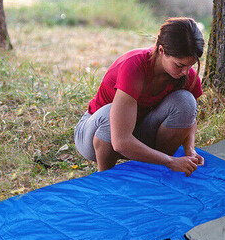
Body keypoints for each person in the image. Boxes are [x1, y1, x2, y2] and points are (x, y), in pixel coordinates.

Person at [74, 17, 206, 175]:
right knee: (111, 113)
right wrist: (171, 162)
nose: (186, 71)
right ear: (161, 51)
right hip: (97, 134)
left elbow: (190, 117)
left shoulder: (186, 75)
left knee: (186, 101)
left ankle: (153, 169)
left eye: (190, 65)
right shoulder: (133, 66)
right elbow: (120, 141)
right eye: (180, 65)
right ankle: (106, 177)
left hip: (138, 129)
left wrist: (190, 149)